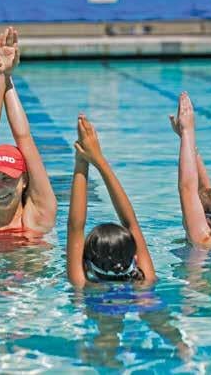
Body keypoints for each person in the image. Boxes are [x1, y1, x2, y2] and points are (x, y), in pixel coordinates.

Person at [0, 27, 56, 243]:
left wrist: (6, 77)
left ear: (24, 180)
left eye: (7, 179)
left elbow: (24, 138)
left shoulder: (37, 219)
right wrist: (0, 74)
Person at [67, 114, 156, 287]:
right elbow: (131, 224)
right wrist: (99, 160)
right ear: (135, 258)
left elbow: (75, 225)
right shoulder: (144, 283)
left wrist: (81, 161)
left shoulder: (83, 287)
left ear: (85, 263)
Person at [169, 92, 211, 246]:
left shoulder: (204, 242)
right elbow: (205, 190)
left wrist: (188, 131)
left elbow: (187, 189)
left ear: (207, 221)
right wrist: (187, 140)